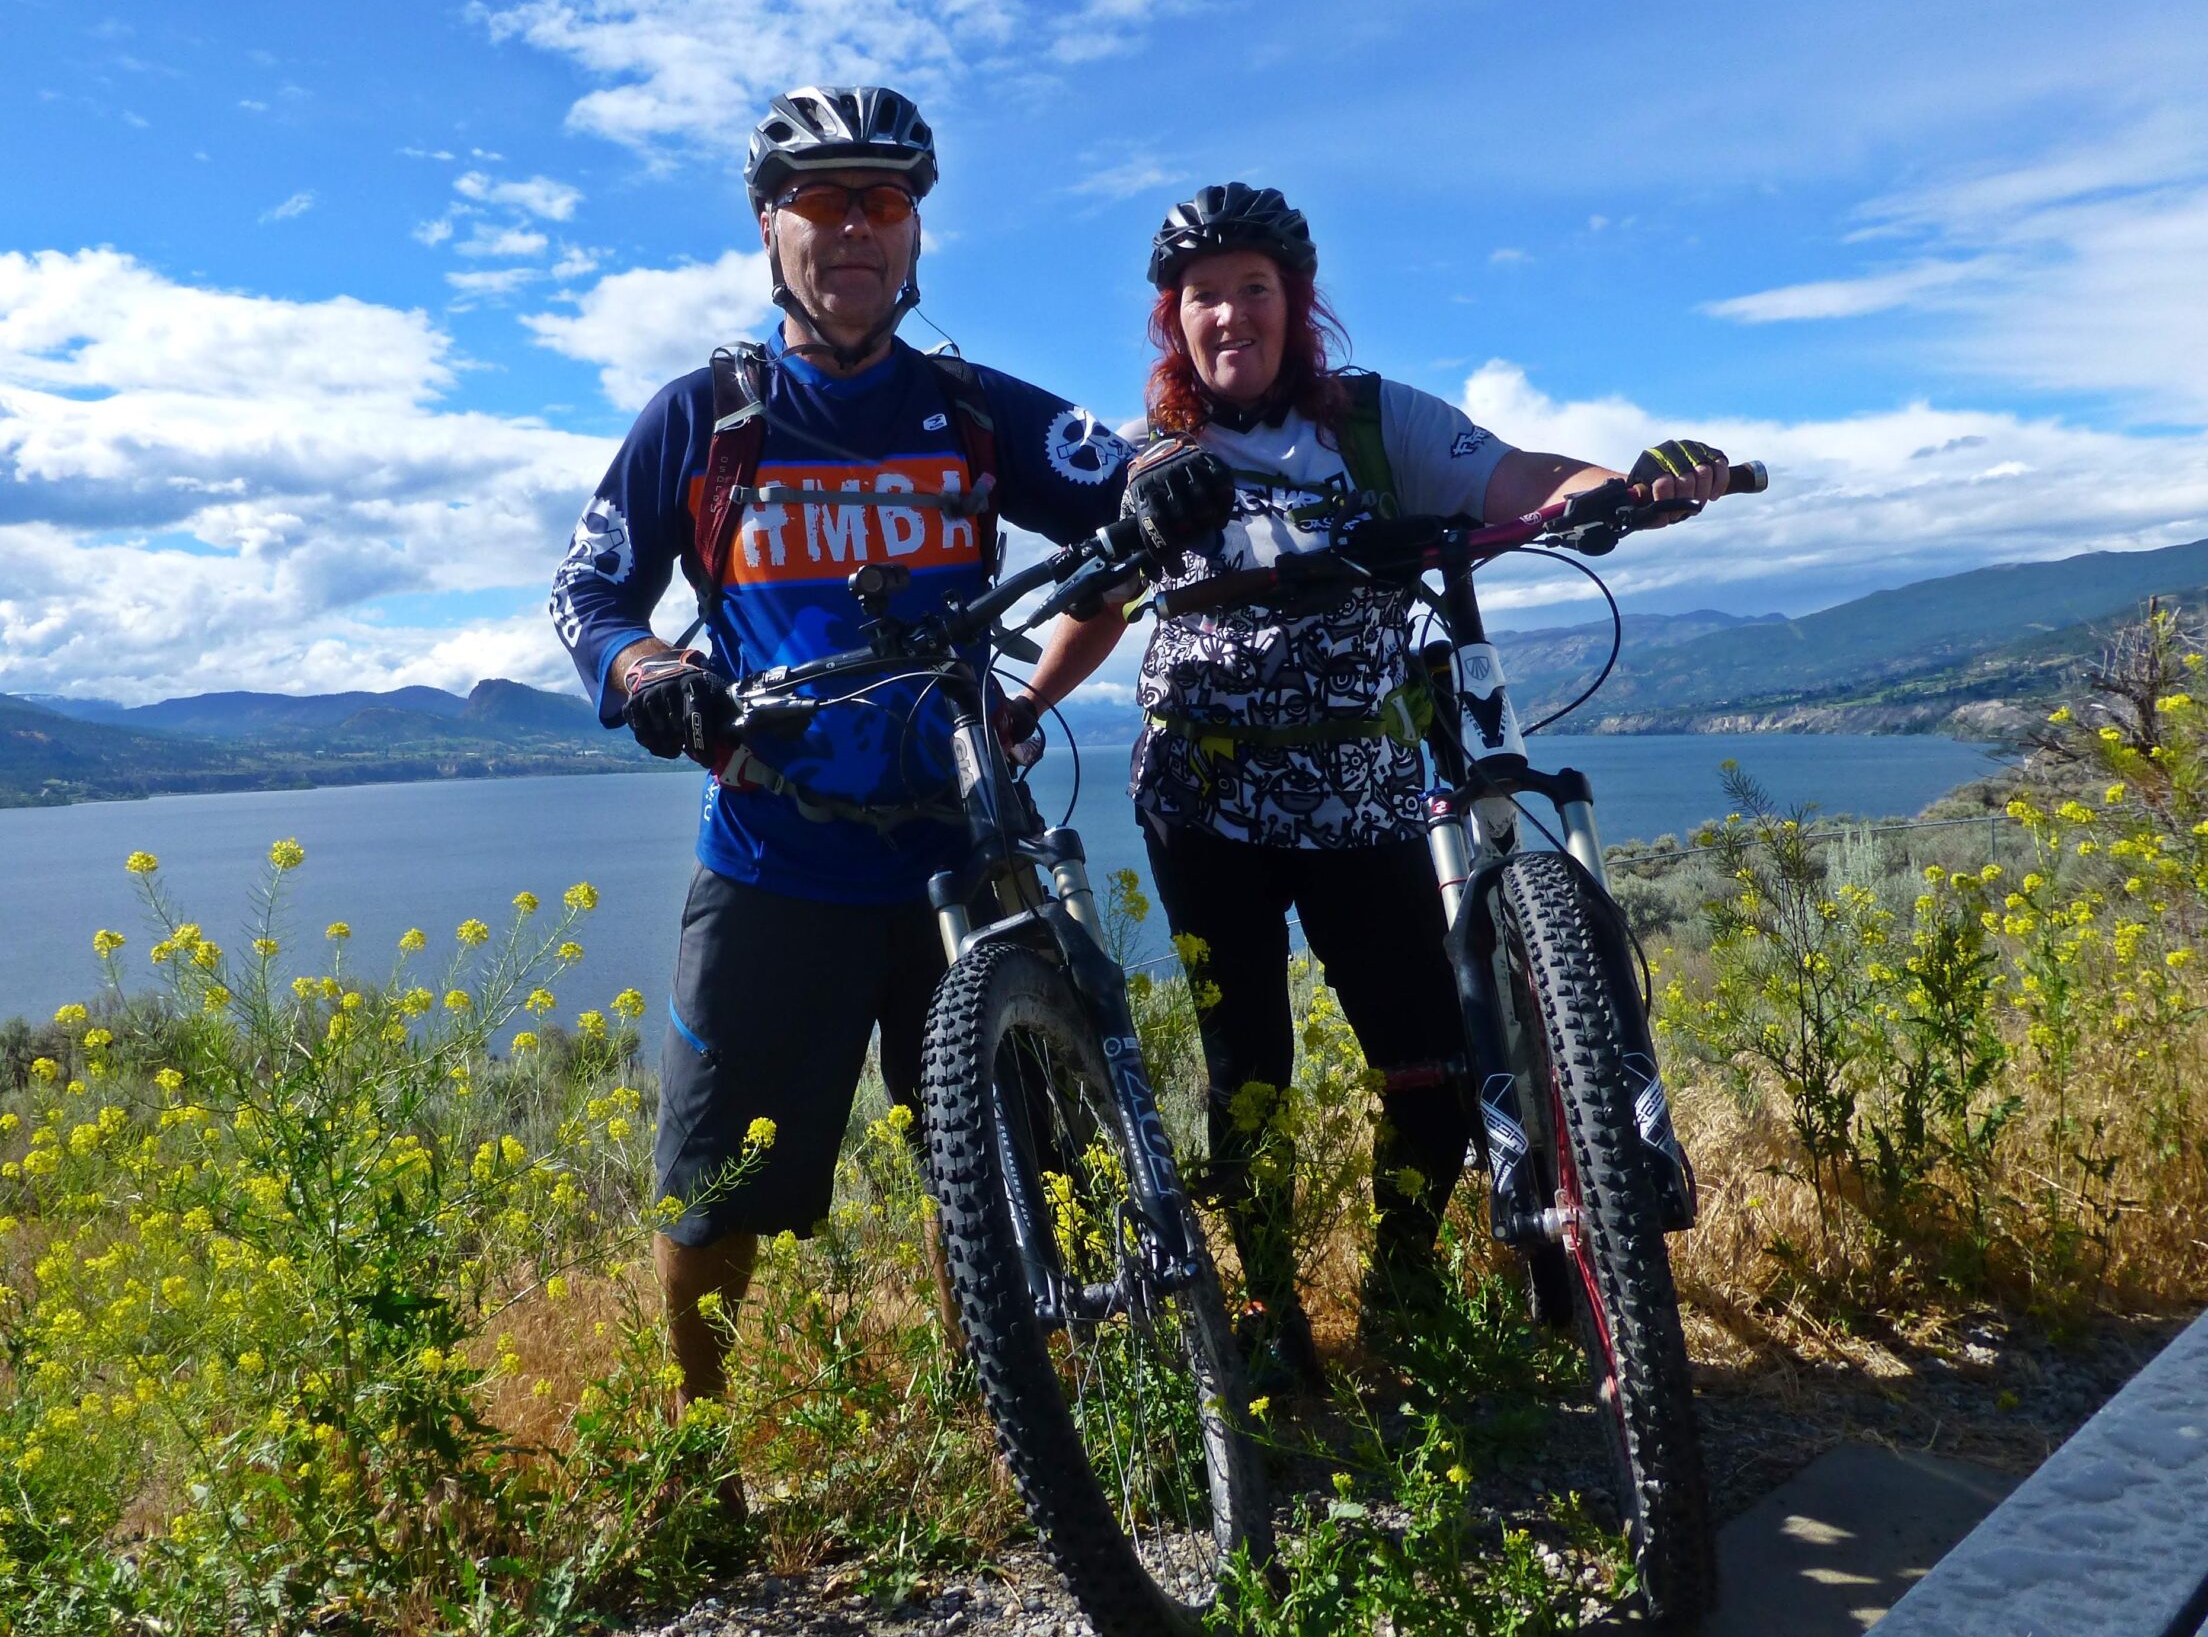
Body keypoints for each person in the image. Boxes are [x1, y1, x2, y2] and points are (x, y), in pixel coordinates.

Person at [547, 87, 1232, 1411]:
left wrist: (1162, 477)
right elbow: (592, 592)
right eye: (821, 199)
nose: (854, 227)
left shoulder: (971, 409)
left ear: (915, 236)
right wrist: (647, 672)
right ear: (769, 227)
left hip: (964, 854)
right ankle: (702, 1460)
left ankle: (1020, 1431)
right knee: (713, 1197)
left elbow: (1122, 468)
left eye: (887, 202)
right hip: (773, 859)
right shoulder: (704, 419)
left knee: (997, 1174)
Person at [1003, 182, 1733, 1378]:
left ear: (1297, 304)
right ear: (1171, 324)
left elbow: (1517, 478)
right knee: (1251, 1076)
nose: (1232, 316)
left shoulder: (1376, 423)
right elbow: (1099, 603)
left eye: (1256, 291)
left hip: (1368, 795)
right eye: (1204, 299)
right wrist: (1029, 702)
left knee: (1434, 1058)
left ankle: (1401, 1281)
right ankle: (1274, 1314)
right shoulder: (1151, 462)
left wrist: (1622, 483)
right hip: (1204, 805)